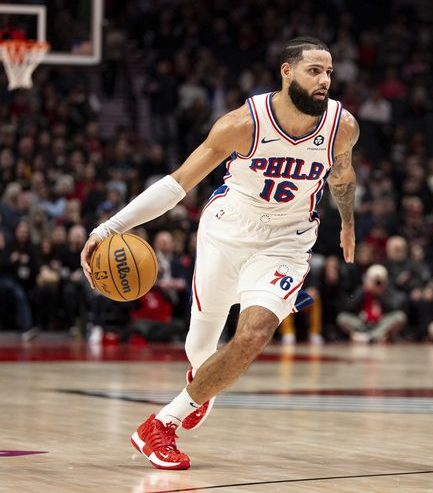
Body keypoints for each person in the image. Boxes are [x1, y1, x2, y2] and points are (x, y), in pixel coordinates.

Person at [80, 36, 359, 470]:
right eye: (314, 70)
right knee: (201, 349)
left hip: (287, 240)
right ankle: (200, 381)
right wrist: (109, 227)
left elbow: (342, 174)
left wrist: (348, 222)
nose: (325, 80)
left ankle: (160, 424)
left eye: (329, 72)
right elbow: (177, 185)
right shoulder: (241, 124)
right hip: (226, 232)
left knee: (253, 334)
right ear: (286, 72)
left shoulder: (343, 126)